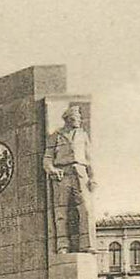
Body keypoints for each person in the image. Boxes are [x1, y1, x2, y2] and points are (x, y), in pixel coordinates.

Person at [43, 102, 97, 254]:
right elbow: (47, 158)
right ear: (68, 119)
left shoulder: (82, 135)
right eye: (76, 118)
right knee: (61, 212)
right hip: (62, 175)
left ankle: (87, 244)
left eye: (79, 118)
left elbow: (89, 158)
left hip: (80, 173)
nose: (79, 120)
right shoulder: (56, 136)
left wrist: (93, 178)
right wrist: (52, 169)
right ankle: (62, 245)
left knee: (85, 210)